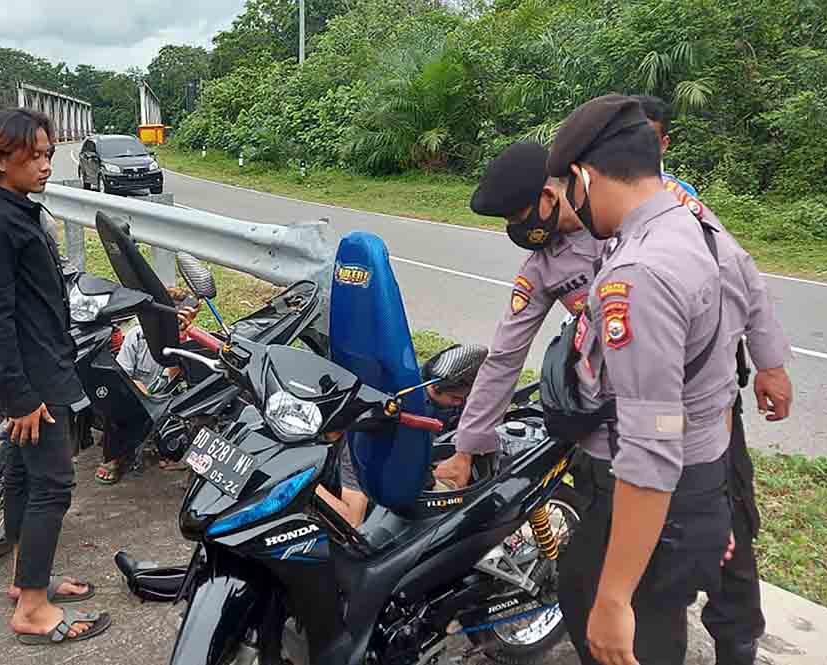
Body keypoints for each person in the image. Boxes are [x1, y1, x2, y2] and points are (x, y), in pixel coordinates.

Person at [542, 94, 786, 665]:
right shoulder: (690, 221)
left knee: (622, 627)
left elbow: (651, 443)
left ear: (582, 176)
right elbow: (749, 279)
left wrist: (614, 598)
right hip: (700, 479)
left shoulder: (638, 275)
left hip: (660, 492)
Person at [635, 94, 793, 665]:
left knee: (723, 515)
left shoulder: (682, 205)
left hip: (706, 400)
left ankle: (736, 638)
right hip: (631, 405)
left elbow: (743, 274)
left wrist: (770, 363)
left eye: (647, 138)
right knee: (644, 531)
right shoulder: (588, 203)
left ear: (663, 146)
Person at [0, 108, 110, 646]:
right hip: (32, 380)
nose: (47, 164)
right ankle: (33, 611)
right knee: (54, 483)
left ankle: (30, 580)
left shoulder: (18, 210)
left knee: (24, 477)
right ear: (1, 159)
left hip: (45, 366)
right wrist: (20, 398)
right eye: (36, 155)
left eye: (49, 154)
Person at [434, 142, 604, 489]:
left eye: (517, 216)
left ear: (548, 195)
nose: (515, 228)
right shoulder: (542, 267)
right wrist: (465, 449)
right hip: (608, 404)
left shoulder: (620, 213)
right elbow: (504, 357)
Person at [318, 344, 489, 529]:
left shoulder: (421, 383)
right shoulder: (364, 444)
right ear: (434, 387)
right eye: (457, 399)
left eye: (465, 399)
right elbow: (352, 522)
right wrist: (305, 488)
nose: (460, 404)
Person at [95, 287, 200, 485]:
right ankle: (115, 457)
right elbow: (122, 374)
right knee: (116, 401)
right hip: (138, 395)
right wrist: (138, 391)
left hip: (170, 399)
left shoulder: (191, 341)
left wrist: (180, 340)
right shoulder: (137, 336)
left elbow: (179, 380)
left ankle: (176, 452)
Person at [632, 95, 697, 196]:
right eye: (629, 136)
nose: (638, 146)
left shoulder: (683, 193)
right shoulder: (602, 190)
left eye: (648, 139)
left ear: (664, 144)